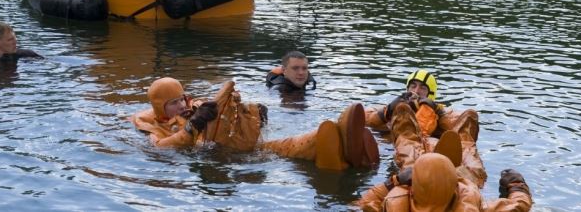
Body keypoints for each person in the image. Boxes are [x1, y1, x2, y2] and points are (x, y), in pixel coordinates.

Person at [131, 77, 379, 171]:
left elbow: (226, 116)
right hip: (217, 157)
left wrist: (255, 116)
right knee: (268, 156)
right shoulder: (151, 126)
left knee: (277, 148)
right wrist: (190, 127)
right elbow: (161, 147)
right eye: (173, 103)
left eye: (182, 98)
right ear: (159, 108)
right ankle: (334, 149)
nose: (182, 105)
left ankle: (331, 143)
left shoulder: (197, 106)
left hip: (231, 149)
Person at [365, 69, 487, 187]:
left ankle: (471, 175)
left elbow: (459, 128)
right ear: (407, 89)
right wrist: (388, 111)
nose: (416, 91)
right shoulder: (392, 108)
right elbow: (364, 117)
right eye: (413, 86)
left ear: (431, 93)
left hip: (432, 148)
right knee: (403, 115)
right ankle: (411, 173)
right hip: (393, 149)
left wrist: (438, 112)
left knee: (470, 119)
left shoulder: (441, 111)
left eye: (423, 88)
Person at [355, 152, 532, 212]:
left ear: (413, 189)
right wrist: (517, 186)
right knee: (471, 168)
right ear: (455, 186)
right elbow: (518, 206)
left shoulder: (393, 204)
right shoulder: (470, 205)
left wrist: (393, 181)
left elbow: (361, 203)